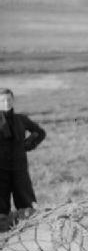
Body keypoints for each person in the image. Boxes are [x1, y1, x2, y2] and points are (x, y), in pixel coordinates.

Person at [0, 88, 46, 232]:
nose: (6, 103)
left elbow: (39, 132)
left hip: (19, 167)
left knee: (26, 203)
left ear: (13, 100)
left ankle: (29, 232)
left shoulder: (21, 119)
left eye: (9, 99)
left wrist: (28, 144)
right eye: (2, 100)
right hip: (0, 169)